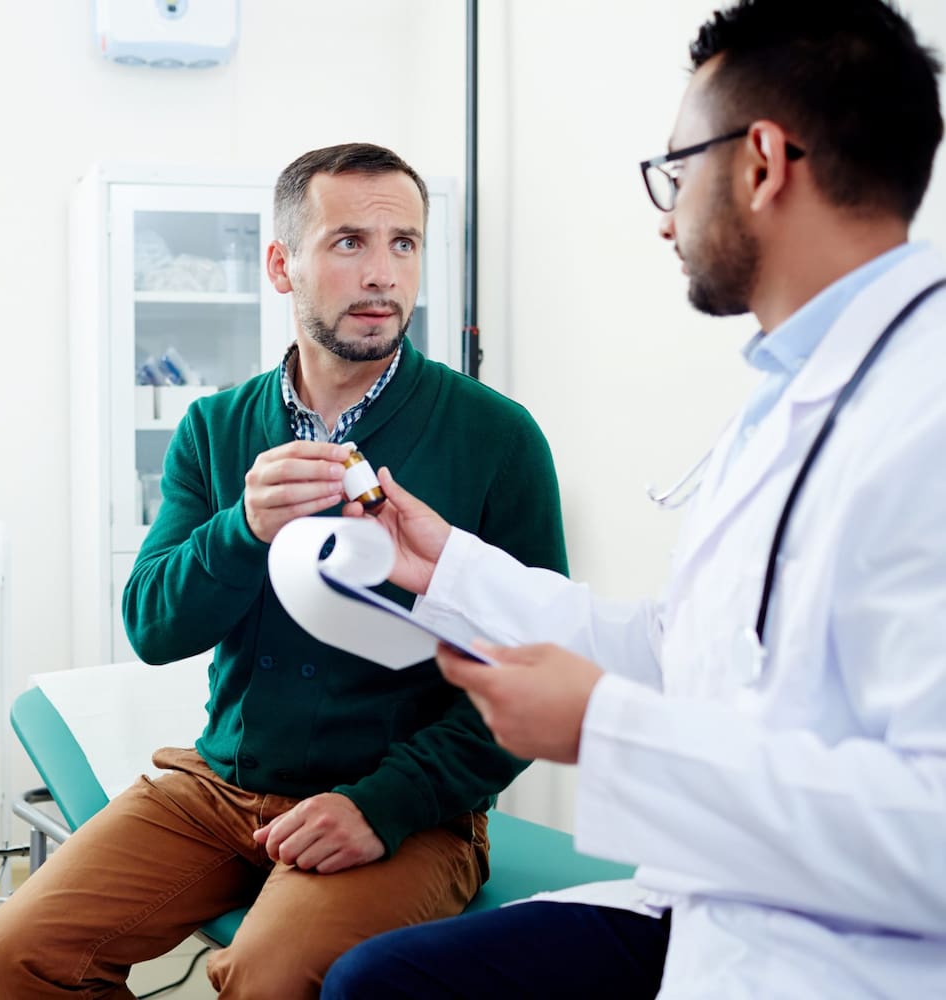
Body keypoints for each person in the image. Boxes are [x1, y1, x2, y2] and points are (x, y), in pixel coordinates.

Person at [322, 2, 946, 997]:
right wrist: (448, 568)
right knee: (380, 983)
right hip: (720, 906)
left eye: (676, 171)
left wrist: (607, 732)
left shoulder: (923, 410)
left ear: (762, 162)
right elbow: (682, 648)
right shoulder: (789, 389)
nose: (664, 214)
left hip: (839, 959)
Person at [0, 142, 569, 998]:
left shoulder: (496, 438)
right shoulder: (216, 429)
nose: (382, 274)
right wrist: (243, 528)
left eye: (404, 245)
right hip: (221, 787)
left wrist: (386, 805)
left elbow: (534, 671)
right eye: (349, 242)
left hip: (405, 805)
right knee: (19, 952)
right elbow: (151, 625)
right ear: (282, 265)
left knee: (265, 975)